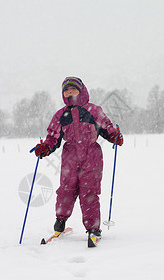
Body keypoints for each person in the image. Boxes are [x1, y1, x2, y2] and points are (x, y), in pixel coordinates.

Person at [34, 76, 123, 245]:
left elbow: (106, 127)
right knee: (66, 189)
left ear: (81, 91)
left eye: (73, 89)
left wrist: (114, 136)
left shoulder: (93, 110)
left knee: (89, 191)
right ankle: (60, 220)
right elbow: (53, 137)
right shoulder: (60, 115)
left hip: (92, 156)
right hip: (70, 157)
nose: (70, 92)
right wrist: (45, 148)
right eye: (66, 90)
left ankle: (93, 228)